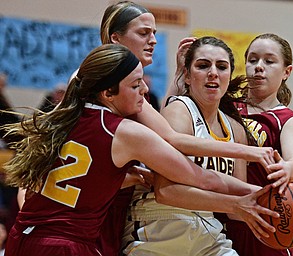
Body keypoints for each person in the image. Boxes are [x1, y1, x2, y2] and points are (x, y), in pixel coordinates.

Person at [2, 44, 278, 256]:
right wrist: (255, 195)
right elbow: (199, 176)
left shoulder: (68, 116)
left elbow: (78, 180)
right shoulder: (125, 131)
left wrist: (125, 177)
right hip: (67, 245)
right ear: (108, 93)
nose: (145, 91)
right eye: (135, 85)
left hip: (23, 237)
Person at [95, 1, 276, 254]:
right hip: (136, 215)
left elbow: (163, 131)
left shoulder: (132, 90)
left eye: (155, 33)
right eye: (144, 33)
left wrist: (270, 202)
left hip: (194, 221)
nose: (153, 40)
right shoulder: (101, 82)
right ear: (116, 38)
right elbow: (170, 138)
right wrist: (247, 155)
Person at [122, 36, 260, 255]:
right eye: (203, 66)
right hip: (159, 227)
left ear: (229, 75)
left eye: (222, 67)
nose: (213, 72)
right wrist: (235, 204)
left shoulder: (236, 129)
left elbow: (237, 206)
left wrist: (272, 206)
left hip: (207, 229)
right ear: (186, 75)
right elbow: (167, 192)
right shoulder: (179, 111)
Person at [224, 33, 293, 256]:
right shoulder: (226, 108)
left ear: (286, 72)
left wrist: (288, 169)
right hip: (220, 216)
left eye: (269, 61)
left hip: (263, 223)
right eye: (252, 60)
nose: (258, 67)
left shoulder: (285, 119)